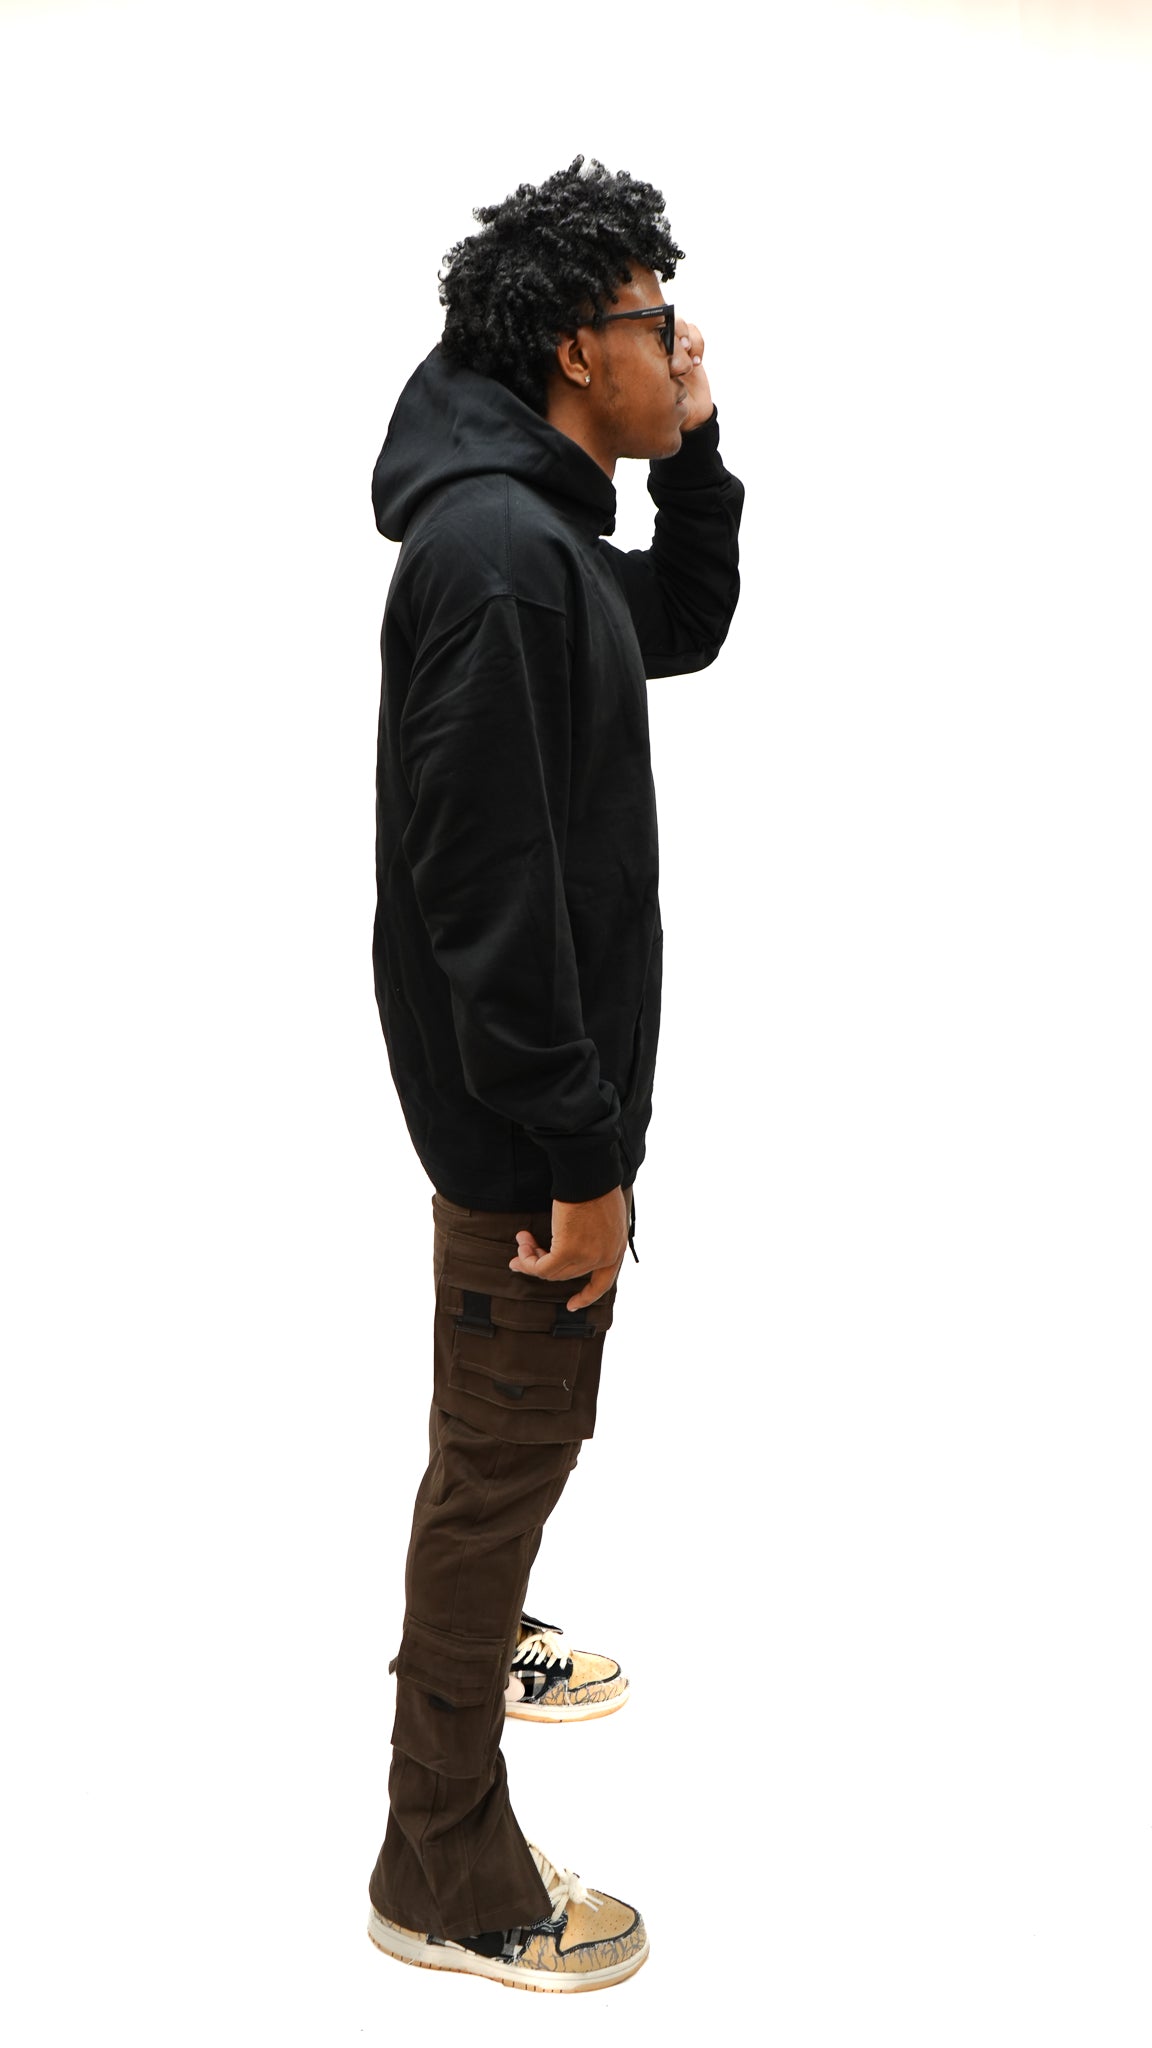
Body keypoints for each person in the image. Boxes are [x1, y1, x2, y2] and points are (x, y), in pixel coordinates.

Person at [365, 155, 744, 1994]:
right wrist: (583, 1158)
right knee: (508, 1451)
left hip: (534, 1111)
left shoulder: (546, 540)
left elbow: (681, 625)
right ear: (581, 350)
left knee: (504, 1434)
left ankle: (487, 1614)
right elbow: (490, 905)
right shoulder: (504, 562)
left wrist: (702, 456)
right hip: (529, 1129)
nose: (687, 345)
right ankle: (441, 1863)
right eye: (662, 323)